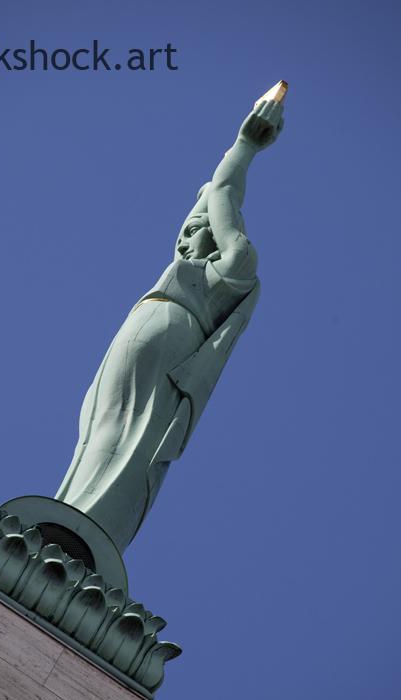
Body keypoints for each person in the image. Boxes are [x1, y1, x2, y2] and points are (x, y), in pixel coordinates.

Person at [56, 99, 285, 553]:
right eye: (184, 231)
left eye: (198, 229)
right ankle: (72, 520)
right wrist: (224, 174)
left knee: (136, 444)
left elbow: (222, 192)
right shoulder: (195, 270)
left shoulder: (235, 266)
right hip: (149, 331)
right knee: (108, 437)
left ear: (223, 232)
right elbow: (214, 196)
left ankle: (86, 530)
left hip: (171, 339)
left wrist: (244, 148)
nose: (185, 237)